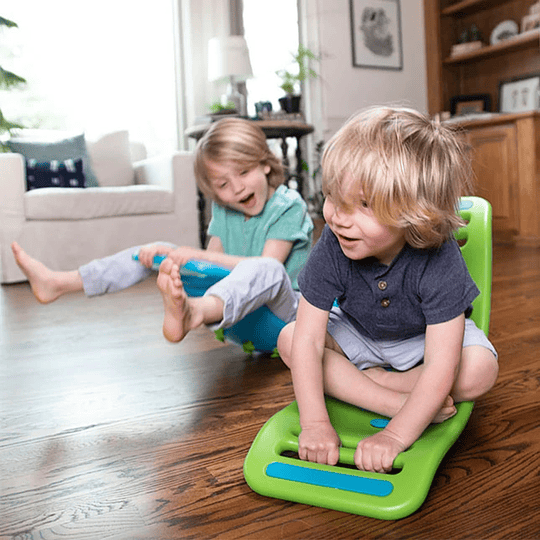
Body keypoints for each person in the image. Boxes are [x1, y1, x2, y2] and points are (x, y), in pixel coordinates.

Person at [277, 106, 499, 474]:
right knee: (289, 339)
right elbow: (309, 340)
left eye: (363, 204)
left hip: (423, 343)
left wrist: (394, 436)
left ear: (416, 212)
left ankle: (372, 383)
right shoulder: (333, 243)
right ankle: (389, 397)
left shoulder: (439, 258)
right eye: (333, 196)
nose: (338, 218)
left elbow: (441, 362)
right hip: (357, 333)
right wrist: (315, 424)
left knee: (480, 370)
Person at [12, 118, 313, 344]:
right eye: (223, 184)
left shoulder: (288, 205)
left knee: (268, 268)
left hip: (285, 318)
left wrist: (190, 254)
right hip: (238, 314)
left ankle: (193, 312)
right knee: (153, 251)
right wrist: (170, 256)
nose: (236, 189)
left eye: (244, 172)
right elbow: (212, 266)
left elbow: (268, 267)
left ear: (265, 164)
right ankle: (59, 282)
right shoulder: (226, 207)